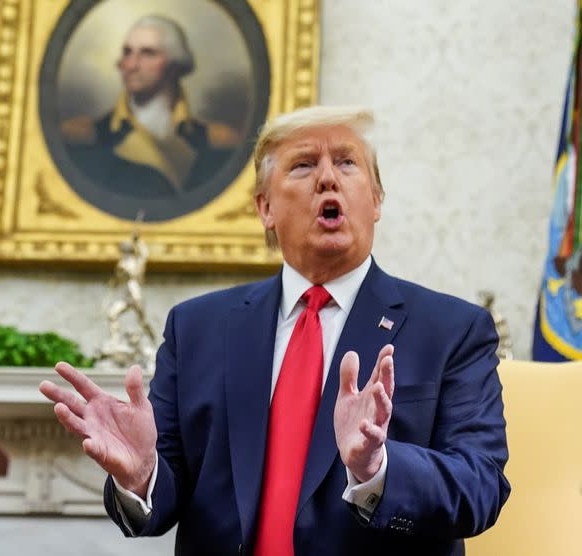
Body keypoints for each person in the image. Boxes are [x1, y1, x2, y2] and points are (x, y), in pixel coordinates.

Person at [40, 105, 510, 555]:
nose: (328, 177)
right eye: (304, 165)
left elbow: (481, 486)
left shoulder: (452, 331)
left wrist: (377, 469)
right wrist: (141, 477)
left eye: (346, 162)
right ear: (265, 207)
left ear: (376, 199)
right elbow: (166, 493)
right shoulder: (196, 329)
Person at [61, 14, 240, 199]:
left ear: (174, 64)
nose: (131, 65)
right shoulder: (84, 137)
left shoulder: (217, 141)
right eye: (127, 52)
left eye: (148, 53)